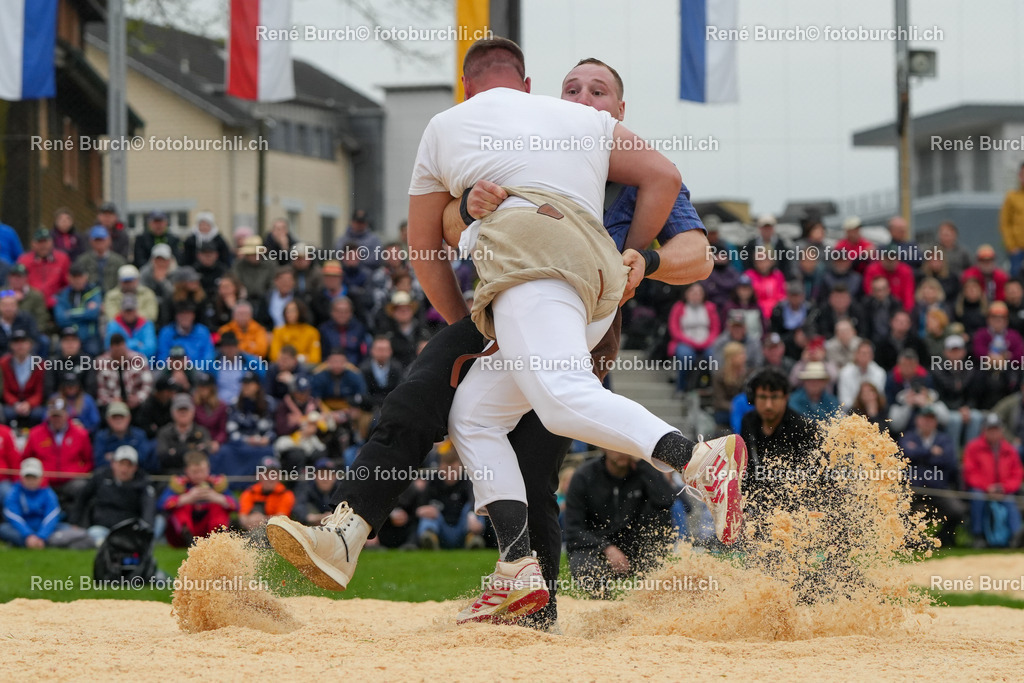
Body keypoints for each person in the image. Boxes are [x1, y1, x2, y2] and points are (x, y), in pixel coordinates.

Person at [266, 48, 739, 627]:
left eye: (598, 91)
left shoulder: (595, 146)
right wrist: (468, 209)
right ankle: (503, 569)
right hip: (517, 296)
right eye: (573, 89)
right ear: (540, 95)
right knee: (458, 410)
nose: (583, 99)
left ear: (619, 110)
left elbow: (697, 250)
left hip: (563, 294)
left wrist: (640, 258)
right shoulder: (537, 133)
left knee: (545, 436)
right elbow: (444, 225)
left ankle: (698, 461)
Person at [564, 449, 676, 597]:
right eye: (616, 446)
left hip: (637, 545)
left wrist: (642, 463)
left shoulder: (641, 472)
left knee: (661, 513)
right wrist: (606, 547)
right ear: (604, 447)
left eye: (625, 446)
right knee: (584, 564)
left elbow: (666, 500)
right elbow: (573, 530)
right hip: (598, 547)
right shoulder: (584, 476)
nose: (621, 451)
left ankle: (652, 596)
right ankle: (601, 601)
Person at [739, 367, 820, 509]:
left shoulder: (803, 428)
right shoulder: (748, 422)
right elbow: (745, 469)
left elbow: (813, 480)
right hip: (755, 503)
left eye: (774, 397)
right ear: (753, 399)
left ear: (785, 398)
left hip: (794, 505)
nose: (768, 405)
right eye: (762, 397)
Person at [899, 406, 964, 548]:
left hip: (937, 488)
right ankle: (910, 540)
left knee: (957, 510)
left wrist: (919, 456)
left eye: (930, 419)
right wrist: (930, 452)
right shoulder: (908, 436)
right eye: (924, 419)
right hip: (914, 487)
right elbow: (906, 454)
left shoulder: (944, 439)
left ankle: (943, 539)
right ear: (917, 420)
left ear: (935, 422)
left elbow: (949, 461)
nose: (927, 422)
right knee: (900, 506)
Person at [72, 445, 158, 546]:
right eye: (121, 464)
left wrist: (144, 531)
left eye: (129, 465)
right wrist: (75, 522)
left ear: (135, 467)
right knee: (94, 534)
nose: (124, 469)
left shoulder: (143, 482)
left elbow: (149, 508)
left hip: (129, 530)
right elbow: (82, 498)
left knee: (159, 522)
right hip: (101, 528)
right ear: (113, 464)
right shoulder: (100, 477)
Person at [0, 458, 92, 549]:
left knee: (72, 530)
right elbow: (14, 516)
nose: (31, 481)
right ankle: (40, 542)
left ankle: (35, 542)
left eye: (34, 477)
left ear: (41, 478)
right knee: (3, 529)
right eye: (28, 477)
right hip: (22, 530)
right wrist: (28, 535)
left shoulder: (48, 493)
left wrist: (41, 536)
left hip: (46, 529)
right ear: (22, 478)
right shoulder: (14, 492)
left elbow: (52, 516)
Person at [962, 414, 1023, 548]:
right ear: (984, 430)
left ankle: (1016, 536)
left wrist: (1003, 488)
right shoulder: (973, 447)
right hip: (981, 489)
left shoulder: (1009, 449)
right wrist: (987, 487)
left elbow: (1017, 474)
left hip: (1003, 490)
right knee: (977, 497)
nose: (994, 433)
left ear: (1001, 431)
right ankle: (978, 535)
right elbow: (970, 472)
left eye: (996, 429)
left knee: (1010, 501)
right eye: (990, 429)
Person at [22, 398, 93, 505]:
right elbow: (26, 459)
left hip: (71, 481)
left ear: (66, 414)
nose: (56, 419)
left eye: (59, 416)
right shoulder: (35, 434)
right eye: (54, 416)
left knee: (82, 487)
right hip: (44, 482)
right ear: (48, 415)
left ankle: (77, 516)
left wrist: (78, 472)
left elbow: (88, 460)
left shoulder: (80, 434)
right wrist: (38, 477)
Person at [158, 450, 236, 547]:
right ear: (186, 470)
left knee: (218, 506)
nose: (199, 475)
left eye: (202, 471)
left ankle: (217, 539)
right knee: (181, 507)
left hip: (209, 527)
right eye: (195, 472)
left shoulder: (217, 485)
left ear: (208, 469)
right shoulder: (179, 485)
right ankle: (189, 539)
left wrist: (216, 497)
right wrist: (186, 498)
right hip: (182, 533)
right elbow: (161, 505)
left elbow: (235, 506)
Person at [414, 449, 486, 550]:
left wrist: (472, 516)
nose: (450, 474)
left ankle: (473, 539)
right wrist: (423, 510)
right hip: (441, 530)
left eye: (454, 470)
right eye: (446, 470)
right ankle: (430, 538)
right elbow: (418, 508)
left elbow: (473, 500)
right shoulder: (433, 483)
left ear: (461, 468)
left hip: (463, 528)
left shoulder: (468, 481)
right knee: (429, 513)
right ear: (440, 468)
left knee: (475, 509)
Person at [667, 283, 719, 392]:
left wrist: (706, 342)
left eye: (699, 293)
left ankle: (711, 387)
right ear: (686, 294)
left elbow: (715, 329)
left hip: (706, 342)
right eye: (693, 292)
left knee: (714, 356)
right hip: (684, 342)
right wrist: (691, 342)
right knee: (686, 356)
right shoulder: (679, 307)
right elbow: (674, 330)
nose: (696, 295)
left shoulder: (710, 307)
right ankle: (681, 387)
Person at [53, 262, 103, 356]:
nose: (77, 280)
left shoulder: (94, 292)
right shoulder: (62, 294)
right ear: (69, 278)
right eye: (74, 277)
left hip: (89, 336)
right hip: (68, 336)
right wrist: (84, 312)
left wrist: (69, 313)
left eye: (80, 277)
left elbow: (93, 314)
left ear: (86, 277)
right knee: (58, 352)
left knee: (93, 350)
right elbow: (60, 318)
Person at [155, 393, 212, 475]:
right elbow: (163, 458)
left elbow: (204, 456)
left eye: (186, 410)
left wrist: (175, 452)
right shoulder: (164, 432)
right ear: (172, 412)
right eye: (179, 410)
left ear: (193, 412)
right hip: (170, 476)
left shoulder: (202, 432)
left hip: (197, 476)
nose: (183, 413)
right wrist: (192, 451)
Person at [94, 334, 154, 412]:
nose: (119, 353)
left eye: (121, 350)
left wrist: (138, 398)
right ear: (110, 348)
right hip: (112, 406)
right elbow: (100, 391)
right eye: (116, 351)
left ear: (125, 346)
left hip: (137, 404)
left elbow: (148, 384)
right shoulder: (101, 362)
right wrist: (112, 401)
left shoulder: (139, 359)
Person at [1, 329, 46, 428]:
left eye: (23, 342)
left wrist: (29, 404)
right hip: (12, 404)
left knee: (39, 413)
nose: (20, 346)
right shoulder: (4, 363)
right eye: (16, 342)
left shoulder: (40, 364)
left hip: (32, 404)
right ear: (11, 345)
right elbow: (4, 390)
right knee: (6, 412)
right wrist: (15, 403)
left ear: (30, 345)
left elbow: (40, 391)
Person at [92, 401, 155, 472]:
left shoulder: (139, 435)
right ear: (108, 419)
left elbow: (144, 459)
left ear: (129, 418)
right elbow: (99, 462)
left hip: (136, 474)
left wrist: (113, 456)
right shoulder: (101, 436)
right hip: (108, 474)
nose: (118, 420)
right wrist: (130, 459)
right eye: (114, 417)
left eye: (121, 417)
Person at [16, 228, 70, 308]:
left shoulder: (62, 259)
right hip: (31, 304)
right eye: (39, 242)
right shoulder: (24, 260)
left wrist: (59, 297)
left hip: (55, 304)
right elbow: (15, 284)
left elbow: (68, 283)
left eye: (46, 242)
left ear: (52, 242)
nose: (43, 246)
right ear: (33, 244)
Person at [238, 457, 295, 531]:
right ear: (259, 476)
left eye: (274, 474)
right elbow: (242, 517)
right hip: (250, 530)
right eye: (266, 474)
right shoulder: (250, 492)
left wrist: (262, 520)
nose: (270, 478)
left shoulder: (286, 494)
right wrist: (249, 521)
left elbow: (282, 518)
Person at [73, 226, 127, 293]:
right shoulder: (82, 261)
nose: (99, 243)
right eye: (97, 240)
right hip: (88, 296)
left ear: (109, 240)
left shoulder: (119, 261)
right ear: (91, 241)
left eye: (102, 240)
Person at [318, 296, 370, 365]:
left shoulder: (359, 329)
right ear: (332, 312)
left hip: (355, 367)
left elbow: (364, 354)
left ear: (351, 313)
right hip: (330, 367)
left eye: (346, 311)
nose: (342, 315)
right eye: (338, 311)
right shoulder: (324, 329)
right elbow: (322, 354)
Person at [359, 336, 404, 415]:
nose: (382, 353)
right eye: (379, 349)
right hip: (369, 409)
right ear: (372, 350)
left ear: (390, 351)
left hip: (392, 407)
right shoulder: (364, 368)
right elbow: (363, 393)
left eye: (385, 349)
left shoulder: (397, 367)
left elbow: (399, 390)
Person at [863, 245, 915, 311]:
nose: (890, 261)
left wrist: (906, 312)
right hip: (875, 307)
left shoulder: (905, 271)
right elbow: (869, 292)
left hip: (898, 309)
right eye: (887, 258)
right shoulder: (872, 269)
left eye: (893, 258)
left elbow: (908, 295)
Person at [104, 294, 157, 359]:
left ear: (136, 310)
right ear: (121, 311)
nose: (129, 313)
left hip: (143, 361)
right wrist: (136, 344)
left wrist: (125, 347)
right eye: (126, 310)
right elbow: (110, 347)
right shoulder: (113, 325)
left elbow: (151, 349)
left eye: (131, 310)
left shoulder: (146, 325)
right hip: (119, 361)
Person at [837, 340, 886, 409]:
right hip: (850, 411)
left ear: (872, 356)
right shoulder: (845, 373)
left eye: (868, 353)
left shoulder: (880, 373)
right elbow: (844, 400)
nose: (866, 356)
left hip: (872, 409)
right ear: (856, 354)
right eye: (863, 353)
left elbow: (878, 397)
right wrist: (860, 407)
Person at [269, 299, 321, 364]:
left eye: (293, 311)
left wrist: (294, 359)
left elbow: (315, 358)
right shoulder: (278, 331)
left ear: (300, 312)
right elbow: (274, 356)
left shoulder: (312, 332)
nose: (289, 314)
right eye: (287, 311)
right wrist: (303, 357)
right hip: (283, 366)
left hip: (305, 367)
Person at [710, 342, 749, 429]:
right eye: (741, 354)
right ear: (732, 358)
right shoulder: (719, 376)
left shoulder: (748, 375)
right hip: (726, 411)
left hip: (744, 409)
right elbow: (719, 401)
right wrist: (736, 407)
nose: (744, 357)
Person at [1000, 161, 1024, 278]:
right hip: (1017, 249)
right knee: (1016, 279)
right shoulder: (1012, 197)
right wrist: (1011, 246)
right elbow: (1005, 223)